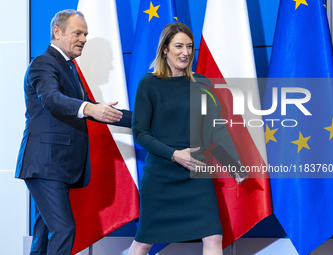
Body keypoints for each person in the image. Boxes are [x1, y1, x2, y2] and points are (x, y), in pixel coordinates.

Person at [15, 9, 131, 255]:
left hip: (57, 166)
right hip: (44, 165)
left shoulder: (69, 67)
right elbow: (51, 99)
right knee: (64, 230)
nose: (84, 39)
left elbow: (94, 110)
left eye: (86, 34)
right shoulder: (43, 63)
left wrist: (145, 119)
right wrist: (89, 107)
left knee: (44, 236)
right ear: (57, 32)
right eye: (77, 32)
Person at [129, 22, 247, 255]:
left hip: (197, 174)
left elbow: (216, 129)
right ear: (165, 49)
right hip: (161, 177)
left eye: (190, 47)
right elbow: (140, 133)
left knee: (213, 236)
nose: (185, 52)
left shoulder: (203, 83)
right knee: (144, 241)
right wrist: (174, 155)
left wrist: (233, 163)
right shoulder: (149, 84)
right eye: (179, 46)